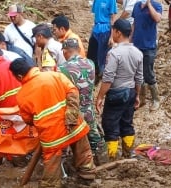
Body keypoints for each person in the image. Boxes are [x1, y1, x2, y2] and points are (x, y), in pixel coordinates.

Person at [10, 58, 96, 187]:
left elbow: (27, 119)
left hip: (51, 135)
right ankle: (87, 177)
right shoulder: (55, 75)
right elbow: (73, 92)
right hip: (74, 126)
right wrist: (71, 116)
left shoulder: (22, 95)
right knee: (82, 151)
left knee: (51, 163)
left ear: (20, 76)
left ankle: (51, 185)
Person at [96, 19, 143, 160]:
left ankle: (112, 157)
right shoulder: (138, 52)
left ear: (118, 32)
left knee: (110, 124)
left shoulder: (114, 53)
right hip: (130, 92)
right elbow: (139, 78)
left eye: (113, 31)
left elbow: (108, 78)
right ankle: (128, 153)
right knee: (126, 123)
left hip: (117, 93)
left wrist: (99, 97)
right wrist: (137, 95)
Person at [58, 38, 106, 162]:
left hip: (73, 111)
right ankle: (102, 159)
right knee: (94, 136)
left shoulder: (62, 68)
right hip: (88, 108)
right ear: (79, 50)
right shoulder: (90, 63)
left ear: (65, 51)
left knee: (67, 138)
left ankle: (67, 164)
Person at [132, 0, 162, 111]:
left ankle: (156, 99)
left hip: (149, 45)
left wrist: (149, 4)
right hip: (137, 44)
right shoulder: (136, 6)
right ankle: (141, 98)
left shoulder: (156, 5)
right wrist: (130, 39)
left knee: (148, 72)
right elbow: (135, 24)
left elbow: (157, 19)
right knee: (138, 73)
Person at [87, 0, 117, 84]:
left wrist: (111, 36)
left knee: (102, 56)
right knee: (91, 55)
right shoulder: (96, 1)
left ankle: (101, 76)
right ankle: (93, 75)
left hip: (105, 30)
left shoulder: (111, 1)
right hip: (96, 29)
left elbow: (113, 18)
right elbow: (95, 17)